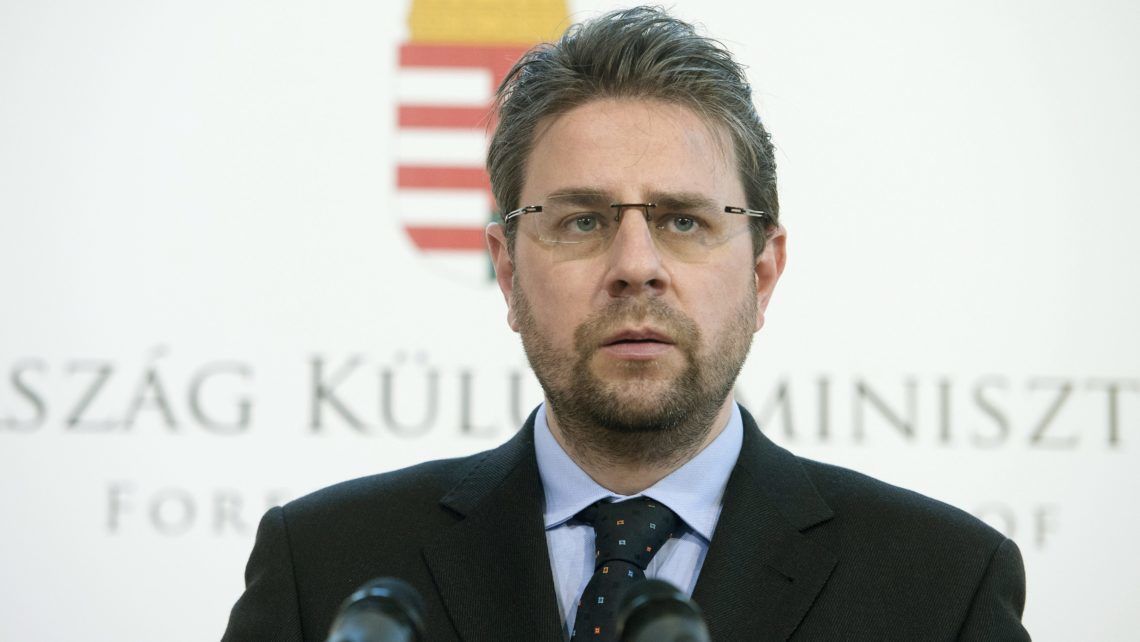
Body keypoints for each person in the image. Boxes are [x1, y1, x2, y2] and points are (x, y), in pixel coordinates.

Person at [222, 7, 1029, 641]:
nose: (635, 265)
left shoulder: (940, 586)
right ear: (508, 271)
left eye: (683, 221)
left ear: (762, 272)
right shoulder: (325, 565)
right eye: (582, 221)